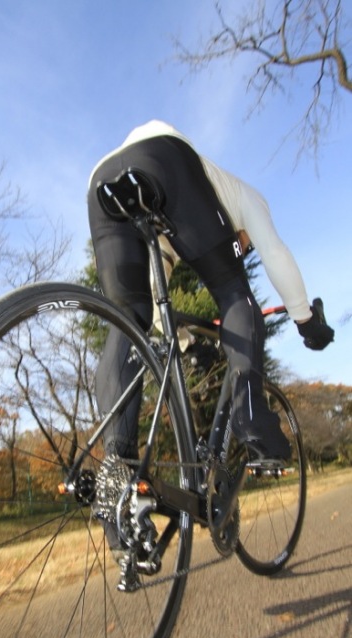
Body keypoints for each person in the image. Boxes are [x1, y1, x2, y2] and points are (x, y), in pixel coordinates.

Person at [87, 120, 334, 462]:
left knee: (128, 319)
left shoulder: (169, 234)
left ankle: (118, 468)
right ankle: (252, 419)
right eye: (246, 247)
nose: (243, 250)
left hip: (101, 179)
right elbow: (276, 252)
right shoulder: (244, 196)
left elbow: (155, 298)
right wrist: (305, 320)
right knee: (233, 289)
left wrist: (188, 344)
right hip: (166, 156)